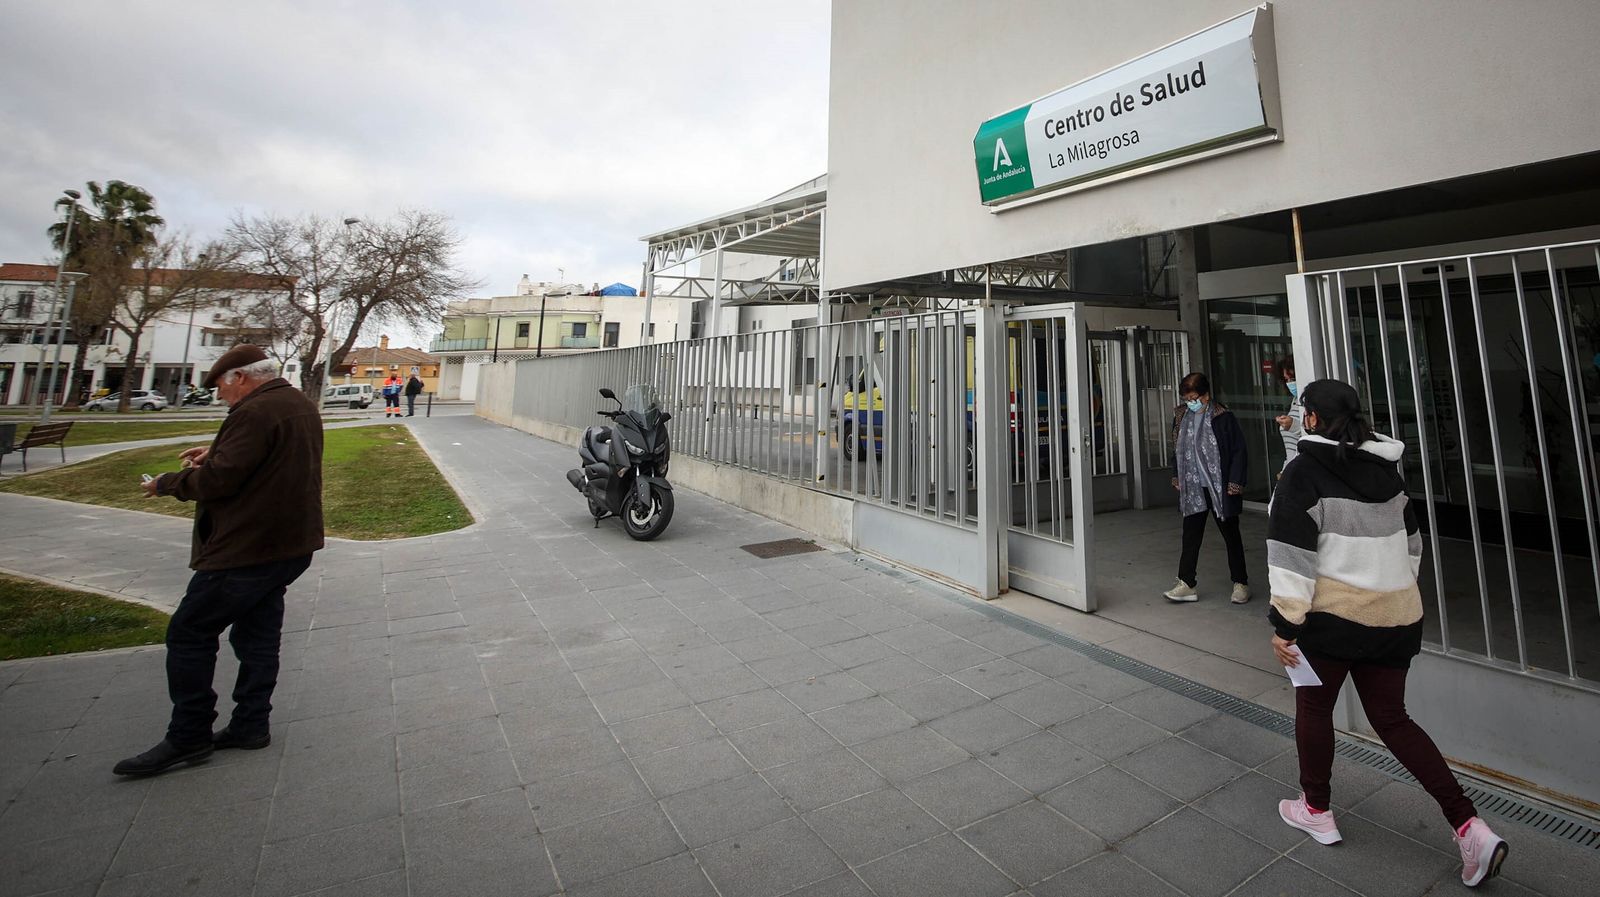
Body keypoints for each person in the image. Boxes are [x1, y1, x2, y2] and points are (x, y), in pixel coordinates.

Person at [1267, 379, 1507, 887]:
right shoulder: (1388, 474)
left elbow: (1291, 557)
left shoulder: (1303, 472)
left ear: (1312, 419)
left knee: (1314, 709)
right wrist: (1388, 593)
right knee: (1394, 720)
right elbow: (1412, 548)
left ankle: (1316, 810)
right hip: (1396, 618)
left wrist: (1285, 625)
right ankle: (1469, 826)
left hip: (1331, 623)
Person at [115, 346, 324, 777]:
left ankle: (189, 733)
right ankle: (251, 723)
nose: (220, 396)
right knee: (257, 634)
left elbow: (220, 481)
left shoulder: (254, 411)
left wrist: (167, 483)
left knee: (189, 632)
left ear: (240, 378)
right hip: (288, 543)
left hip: (247, 547)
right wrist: (216, 452)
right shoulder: (296, 403)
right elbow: (267, 459)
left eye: (221, 387)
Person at [1165, 372, 1251, 604]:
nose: (1190, 403)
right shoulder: (1181, 416)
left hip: (1220, 487)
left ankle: (1240, 583)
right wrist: (1177, 475)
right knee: (1190, 535)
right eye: (1186, 399)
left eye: (1193, 398)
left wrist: (1235, 482)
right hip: (1193, 486)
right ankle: (1187, 582)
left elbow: (1238, 451)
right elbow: (1177, 449)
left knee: (1231, 535)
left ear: (1206, 395)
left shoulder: (1222, 416)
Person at [1274, 356, 1304, 478]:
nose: (1290, 383)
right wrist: (1284, 471)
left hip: (1303, 473)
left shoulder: (1311, 401)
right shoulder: (1295, 400)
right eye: (1286, 380)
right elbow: (1291, 450)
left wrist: (1294, 425)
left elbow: (1317, 434)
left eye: (1293, 378)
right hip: (1291, 472)